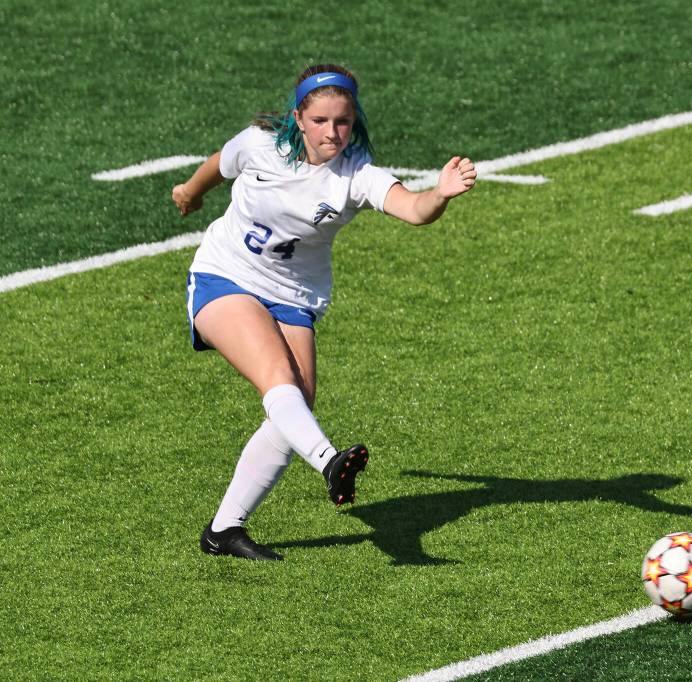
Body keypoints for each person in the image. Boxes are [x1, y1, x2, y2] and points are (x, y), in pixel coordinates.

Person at [172, 64, 477, 561]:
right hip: (225, 276)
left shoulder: (356, 174)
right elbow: (219, 163)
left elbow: (413, 209)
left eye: (342, 121)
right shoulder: (260, 144)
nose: (332, 132)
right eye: (319, 121)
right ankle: (330, 462)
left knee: (296, 405)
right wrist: (191, 191)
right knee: (279, 380)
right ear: (298, 118)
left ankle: (223, 531)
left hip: (294, 298)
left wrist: (440, 194)